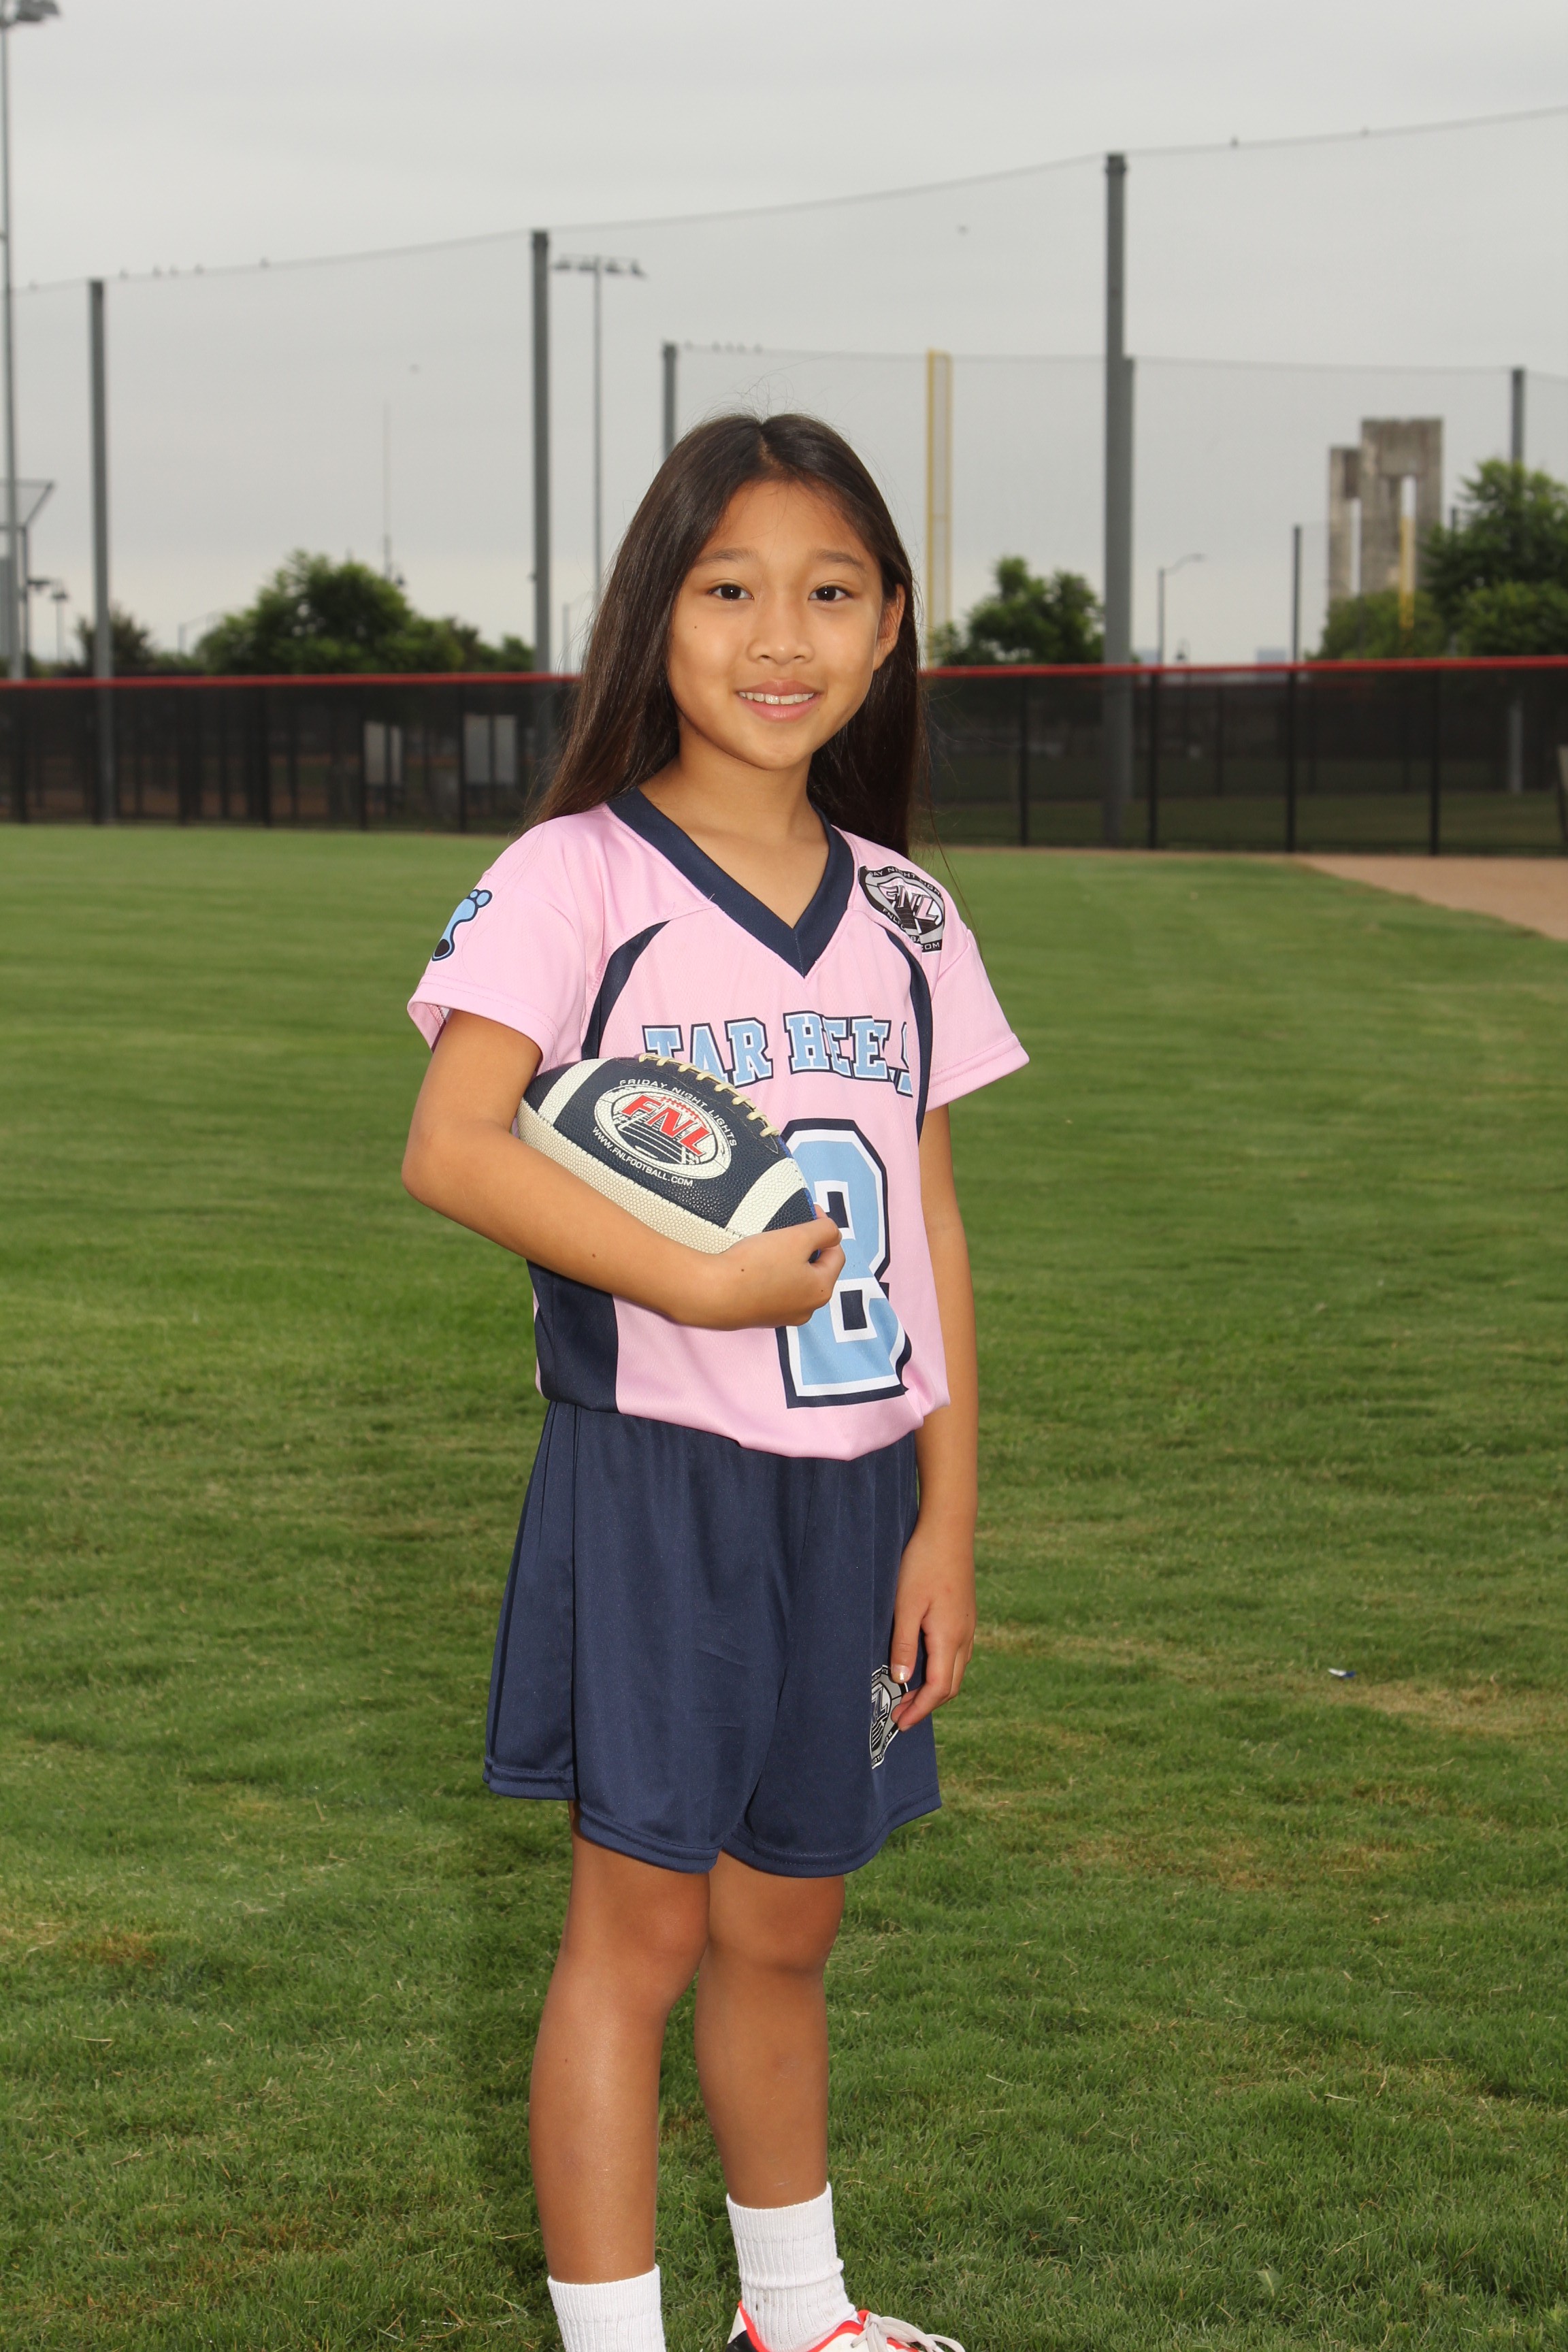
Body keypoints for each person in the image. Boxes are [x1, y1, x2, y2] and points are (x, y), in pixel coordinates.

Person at [402, 413, 1027, 2352]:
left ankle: (799, 2316)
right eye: (730, 588)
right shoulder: (577, 876)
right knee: (640, 1931)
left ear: (891, 626)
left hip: (853, 1493)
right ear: (652, 619)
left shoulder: (907, 912)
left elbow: (929, 1225)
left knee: (787, 1921)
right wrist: (699, 1278)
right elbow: (453, 1145)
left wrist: (946, 1516)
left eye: (830, 593)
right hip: (659, 1478)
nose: (781, 636)